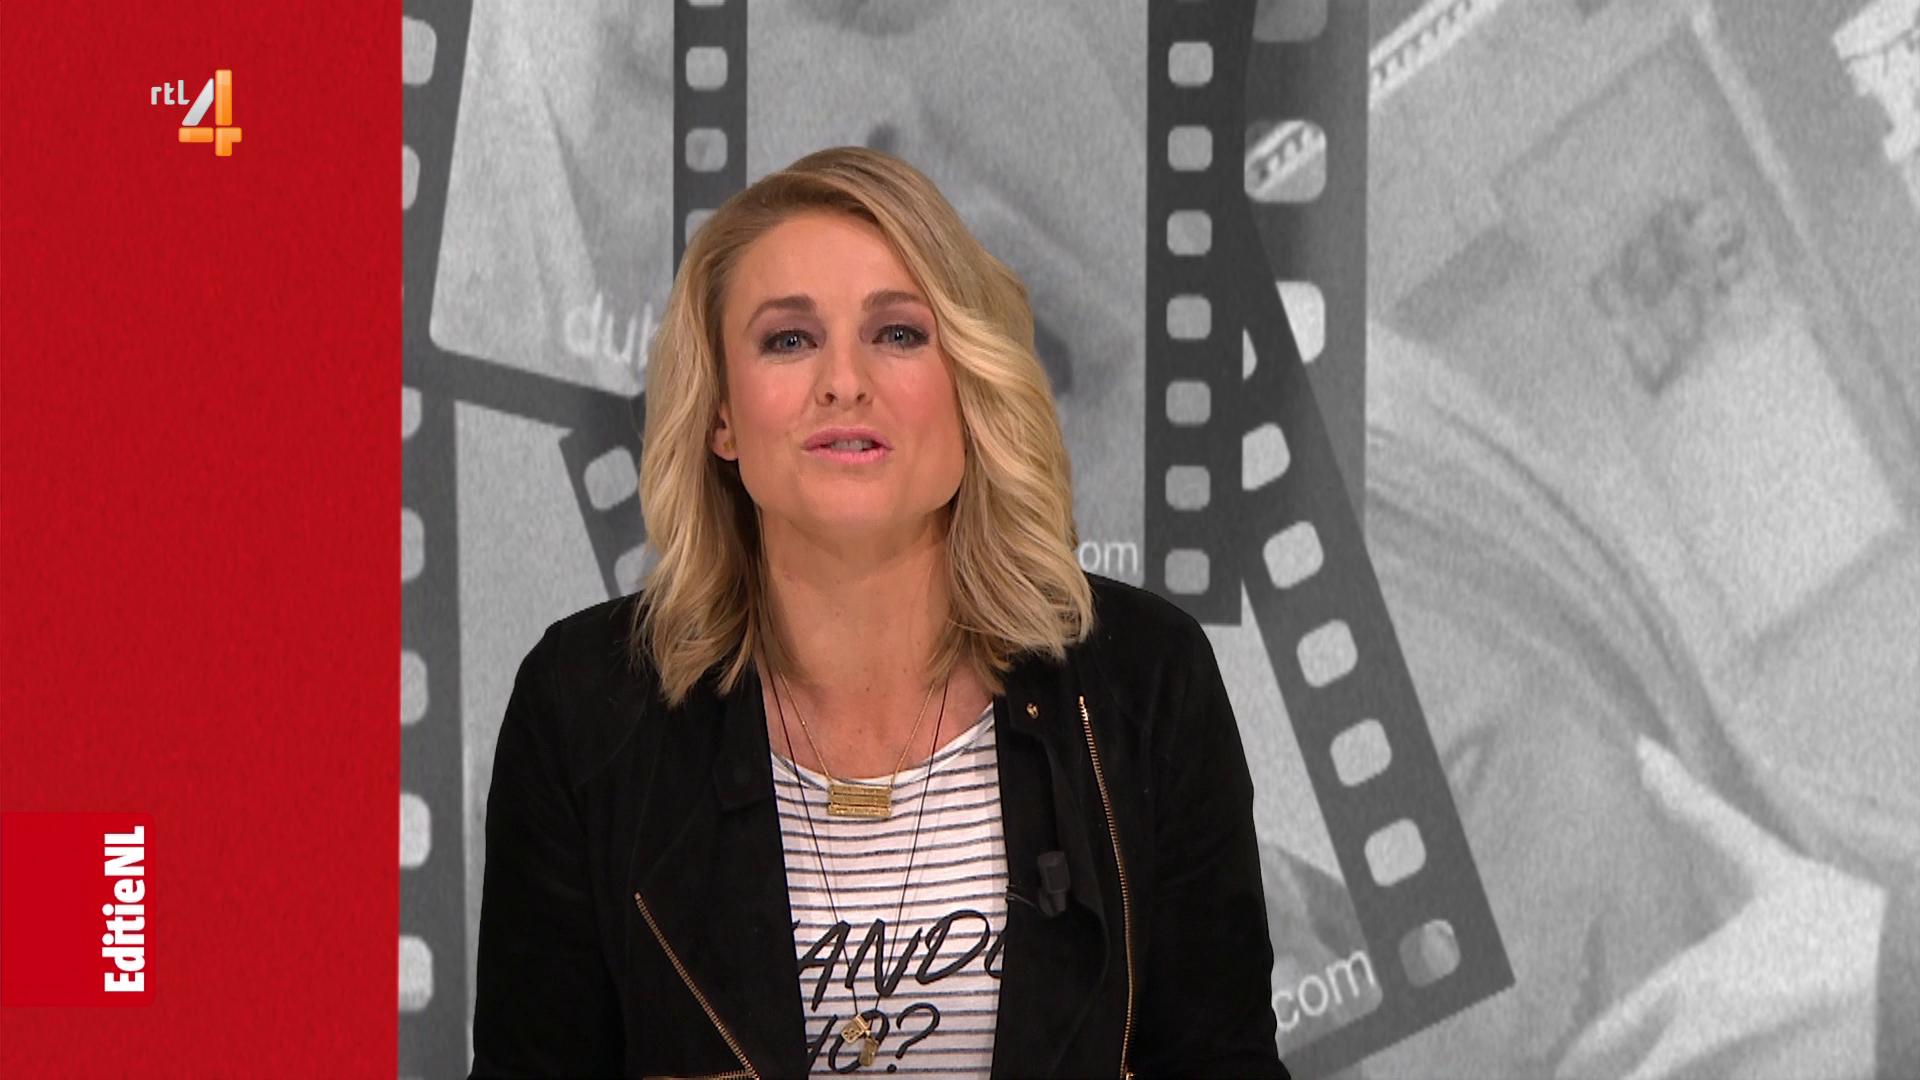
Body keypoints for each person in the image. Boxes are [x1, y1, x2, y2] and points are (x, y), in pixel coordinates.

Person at [467, 146, 1288, 1078]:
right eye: (788, 340)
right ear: (722, 416)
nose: (843, 381)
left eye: (897, 333)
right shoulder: (586, 710)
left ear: (969, 386)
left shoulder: (1143, 682)